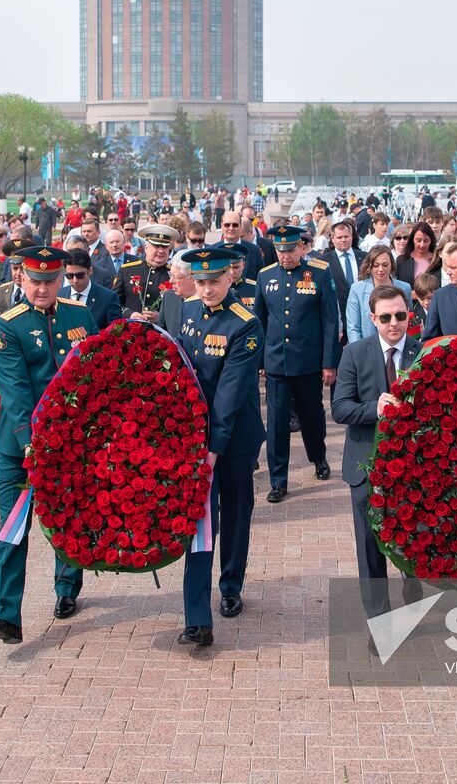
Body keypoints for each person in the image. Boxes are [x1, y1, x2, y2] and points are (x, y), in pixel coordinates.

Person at [0, 247, 97, 645]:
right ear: (21, 280)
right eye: (35, 280)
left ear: (62, 278)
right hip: (21, 448)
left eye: (51, 280)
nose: (43, 288)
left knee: (67, 518)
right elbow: (16, 394)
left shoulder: (79, 316)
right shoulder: (6, 326)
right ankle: (5, 614)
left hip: (71, 445)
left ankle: (67, 588)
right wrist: (32, 445)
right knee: (12, 529)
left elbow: (91, 378)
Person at [168, 247, 266, 647]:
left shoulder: (245, 324)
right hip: (194, 436)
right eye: (202, 281)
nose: (207, 289)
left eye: (215, 281)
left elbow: (229, 393)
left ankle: (230, 584)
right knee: (199, 518)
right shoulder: (187, 310)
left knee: (236, 510)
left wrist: (214, 446)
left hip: (234, 437)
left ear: (231, 278)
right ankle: (196, 616)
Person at [332, 284, 424, 625]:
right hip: (365, 463)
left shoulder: (423, 352)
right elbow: (340, 408)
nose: (394, 324)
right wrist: (376, 408)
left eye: (400, 315)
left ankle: (412, 583)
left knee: (412, 535)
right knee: (370, 546)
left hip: (413, 465)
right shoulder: (355, 353)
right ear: (373, 319)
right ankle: (380, 619)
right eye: (385, 318)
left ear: (409, 315)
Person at [254, 226, 341, 503]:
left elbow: (329, 320)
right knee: (277, 425)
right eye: (280, 250)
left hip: (308, 362)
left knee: (312, 416)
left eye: (290, 250)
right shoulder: (265, 276)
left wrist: (329, 362)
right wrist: (261, 359)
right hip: (277, 363)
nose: (285, 256)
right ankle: (278, 481)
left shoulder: (318, 273)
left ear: (301, 248)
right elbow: (260, 321)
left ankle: (318, 457)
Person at [345, 245, 412, 343]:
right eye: (376, 265)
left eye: (385, 265)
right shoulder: (357, 289)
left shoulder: (405, 288)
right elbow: (353, 328)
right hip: (367, 348)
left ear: (391, 265)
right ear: (369, 265)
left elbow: (408, 320)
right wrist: (359, 352)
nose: (381, 269)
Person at [117, 224, 178, 323]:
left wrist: (161, 316)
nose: (161, 251)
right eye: (156, 246)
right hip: (130, 330)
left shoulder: (174, 275)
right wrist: (129, 314)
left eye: (165, 247)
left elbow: (181, 307)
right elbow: (113, 303)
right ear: (146, 247)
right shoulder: (127, 270)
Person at [57, 248, 121, 331]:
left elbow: (116, 332)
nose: (75, 280)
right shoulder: (58, 295)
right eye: (70, 276)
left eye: (80, 275)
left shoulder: (108, 298)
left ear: (90, 271)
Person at [326, 221, 360, 341]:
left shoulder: (365, 258)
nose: (343, 240)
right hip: (336, 319)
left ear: (352, 237)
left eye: (346, 236)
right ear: (333, 239)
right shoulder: (322, 261)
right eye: (339, 237)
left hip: (362, 318)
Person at [394, 221, 441, 288]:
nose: (422, 245)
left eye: (426, 241)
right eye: (418, 240)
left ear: (431, 240)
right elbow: (397, 285)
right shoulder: (401, 260)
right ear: (412, 239)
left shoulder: (438, 260)